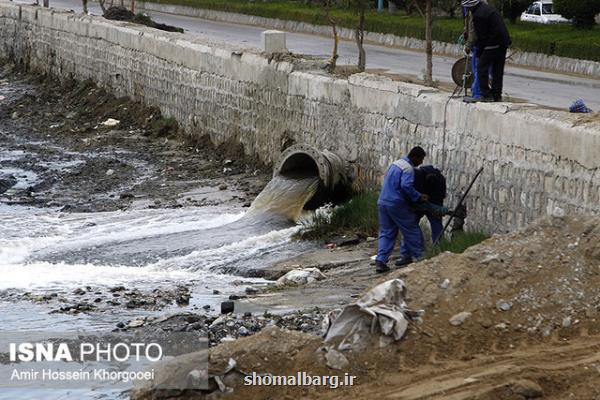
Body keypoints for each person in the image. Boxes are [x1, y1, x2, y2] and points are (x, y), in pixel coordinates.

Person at [375, 146, 428, 274]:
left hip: (383, 202)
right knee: (411, 229)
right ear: (415, 157)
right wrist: (418, 196)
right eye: (421, 159)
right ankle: (421, 257)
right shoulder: (408, 169)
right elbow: (406, 186)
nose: (421, 163)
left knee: (387, 232)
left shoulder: (395, 164)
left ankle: (381, 261)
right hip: (396, 203)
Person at [462, 0, 511, 102]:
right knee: (497, 70)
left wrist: (478, 52)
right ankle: (496, 95)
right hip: (503, 42)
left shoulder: (478, 15)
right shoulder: (488, 8)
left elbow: (481, 36)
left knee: (481, 67)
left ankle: (486, 94)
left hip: (492, 42)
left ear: (470, 7)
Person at [413, 165, 448, 243]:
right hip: (421, 201)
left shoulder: (440, 180)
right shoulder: (417, 176)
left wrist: (438, 209)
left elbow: (441, 196)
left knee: (412, 224)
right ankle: (438, 246)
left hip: (432, 200)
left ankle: (418, 248)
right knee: (412, 224)